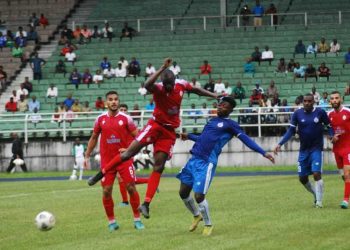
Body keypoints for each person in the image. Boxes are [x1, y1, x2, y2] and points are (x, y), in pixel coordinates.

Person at [87, 58, 218, 219]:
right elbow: (148, 85)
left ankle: (146, 204)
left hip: (168, 132)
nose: (168, 88)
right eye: (166, 85)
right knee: (128, 153)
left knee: (159, 166)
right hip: (154, 125)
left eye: (170, 84)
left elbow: (197, 90)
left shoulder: (181, 85)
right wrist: (162, 68)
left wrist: (214, 95)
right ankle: (101, 173)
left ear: (175, 81)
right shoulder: (158, 88)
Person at [177, 96, 274, 236]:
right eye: (219, 104)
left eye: (224, 105)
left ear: (230, 109)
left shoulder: (231, 125)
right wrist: (189, 136)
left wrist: (263, 152)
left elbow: (246, 140)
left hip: (207, 162)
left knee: (199, 196)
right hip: (194, 159)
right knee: (183, 192)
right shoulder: (211, 121)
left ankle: (208, 224)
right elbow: (203, 138)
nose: (220, 106)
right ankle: (196, 215)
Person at [84, 90, 145, 231]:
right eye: (110, 99)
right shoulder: (100, 120)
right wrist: (87, 155)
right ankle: (112, 222)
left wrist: (130, 149)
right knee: (106, 190)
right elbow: (93, 138)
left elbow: (139, 137)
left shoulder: (126, 119)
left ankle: (137, 220)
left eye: (116, 99)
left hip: (124, 160)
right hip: (107, 161)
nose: (113, 102)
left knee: (131, 187)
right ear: (106, 103)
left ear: (118, 101)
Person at [273, 94, 334, 208]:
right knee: (302, 178)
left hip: (316, 149)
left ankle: (319, 203)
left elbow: (329, 126)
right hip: (303, 151)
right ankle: (316, 194)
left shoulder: (320, 112)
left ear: (313, 102)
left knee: (316, 174)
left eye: (309, 101)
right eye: (305, 101)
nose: (307, 103)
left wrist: (331, 135)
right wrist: (280, 144)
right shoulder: (297, 114)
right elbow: (291, 131)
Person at [328, 91, 350, 208]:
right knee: (343, 175)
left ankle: (345, 200)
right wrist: (332, 138)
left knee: (347, 174)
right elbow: (328, 131)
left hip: (348, 147)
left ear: (340, 99)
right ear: (330, 101)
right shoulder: (329, 115)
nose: (335, 100)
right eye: (332, 99)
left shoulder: (348, 112)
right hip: (337, 149)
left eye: (337, 98)